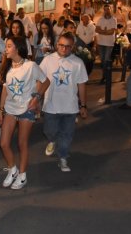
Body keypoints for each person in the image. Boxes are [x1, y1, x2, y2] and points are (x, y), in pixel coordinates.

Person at [0, 36, 49, 190]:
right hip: (10, 109)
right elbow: (5, 89)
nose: (5, 49)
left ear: (17, 48)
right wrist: (0, 111)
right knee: (4, 143)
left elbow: (45, 82)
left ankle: (22, 175)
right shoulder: (7, 66)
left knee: (22, 144)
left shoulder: (31, 66)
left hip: (27, 110)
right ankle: (12, 169)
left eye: (8, 46)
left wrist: (37, 99)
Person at [40, 32, 88, 172]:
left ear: (72, 47)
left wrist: (83, 105)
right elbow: (40, 80)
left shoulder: (78, 63)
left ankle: (63, 158)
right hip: (50, 105)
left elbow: (82, 85)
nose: (64, 49)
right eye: (61, 45)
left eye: (67, 46)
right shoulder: (48, 60)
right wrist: (37, 98)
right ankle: (52, 140)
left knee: (67, 135)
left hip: (70, 107)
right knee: (50, 130)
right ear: (56, 45)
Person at [95, 4, 117, 84]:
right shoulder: (100, 19)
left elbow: (111, 32)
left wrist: (103, 31)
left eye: (108, 9)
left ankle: (106, 76)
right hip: (101, 42)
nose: (107, 11)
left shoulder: (113, 19)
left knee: (106, 60)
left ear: (111, 10)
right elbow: (97, 29)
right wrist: (105, 31)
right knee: (102, 60)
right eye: (105, 9)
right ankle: (105, 76)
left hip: (109, 43)